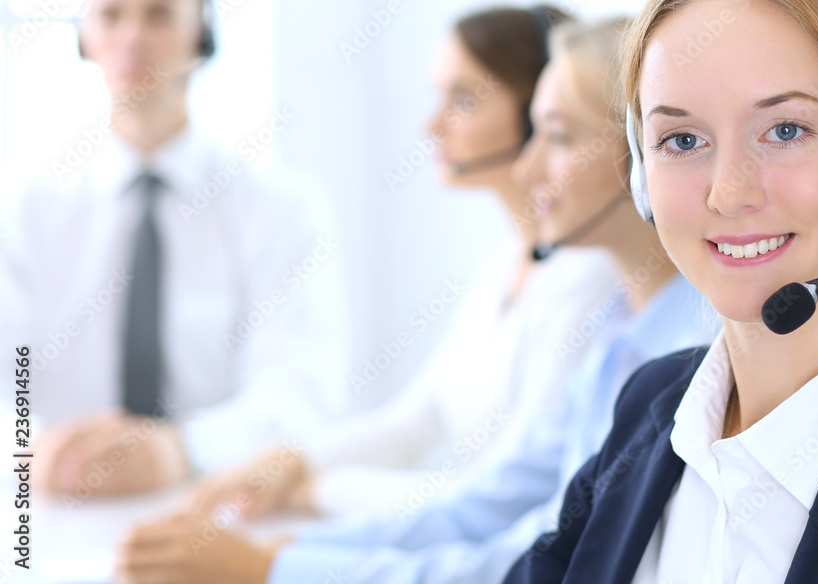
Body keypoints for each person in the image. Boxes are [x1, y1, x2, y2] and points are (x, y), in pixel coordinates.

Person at [114, 16, 718, 584]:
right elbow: (482, 500)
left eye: (556, 136)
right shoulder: (614, 330)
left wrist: (281, 561)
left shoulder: (667, 344)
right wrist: (286, 547)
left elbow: (539, 550)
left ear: (638, 159)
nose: (531, 165)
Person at [503, 0, 818, 583]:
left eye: (785, 130)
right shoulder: (650, 407)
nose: (729, 193)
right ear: (642, 177)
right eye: (682, 140)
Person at [0, 0, 348, 496]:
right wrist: (33, 447)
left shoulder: (282, 210)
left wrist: (186, 449)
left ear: (202, 33)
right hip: (53, 511)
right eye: (111, 16)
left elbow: (304, 394)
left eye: (159, 15)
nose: (132, 39)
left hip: (222, 505)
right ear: (83, 36)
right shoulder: (21, 211)